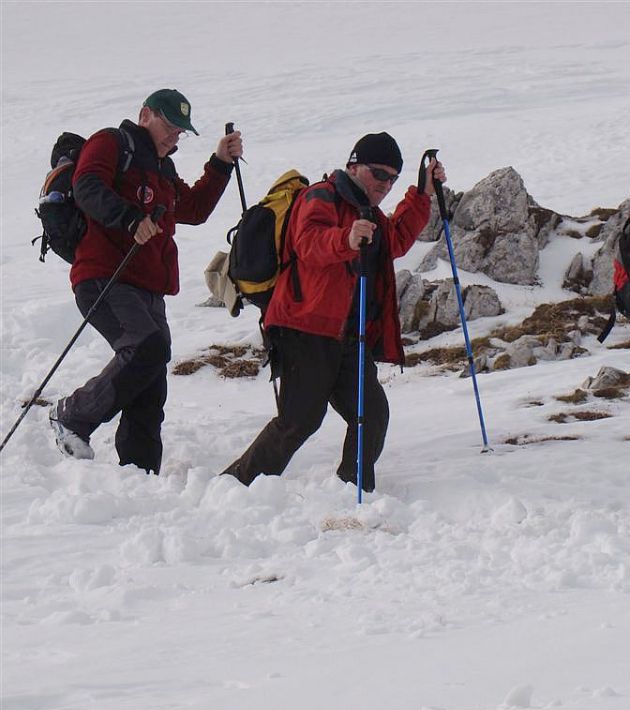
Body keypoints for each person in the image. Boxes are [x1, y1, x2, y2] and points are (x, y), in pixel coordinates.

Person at [222, 132, 444, 491]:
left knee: (371, 413)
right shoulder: (319, 197)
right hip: (303, 328)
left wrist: (421, 194)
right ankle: (235, 486)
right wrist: (346, 238)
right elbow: (308, 243)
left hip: (346, 335)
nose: (386, 184)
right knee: (299, 420)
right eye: (378, 174)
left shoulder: (368, 213)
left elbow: (397, 240)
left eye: (392, 177)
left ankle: (351, 488)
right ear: (353, 165)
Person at [49, 88, 243, 473]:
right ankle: (72, 416)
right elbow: (88, 187)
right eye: (169, 125)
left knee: (151, 376)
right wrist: (130, 219)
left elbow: (195, 209)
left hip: (149, 286)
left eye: (180, 131)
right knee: (146, 347)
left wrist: (220, 163)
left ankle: (139, 471)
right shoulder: (110, 143)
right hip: (104, 277)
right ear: (144, 115)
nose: (174, 136)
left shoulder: (162, 169)